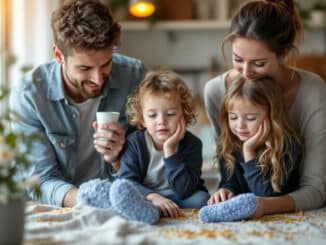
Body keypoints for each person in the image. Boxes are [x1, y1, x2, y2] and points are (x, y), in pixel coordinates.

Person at [10, 0, 146, 207]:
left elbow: (151, 162)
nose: (98, 79)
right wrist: (93, 199)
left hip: (118, 198)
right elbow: (39, 181)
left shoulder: (134, 76)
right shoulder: (30, 94)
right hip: (59, 205)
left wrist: (119, 160)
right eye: (84, 68)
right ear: (58, 55)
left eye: (106, 64)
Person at [203, 0, 326, 219]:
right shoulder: (215, 91)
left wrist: (262, 205)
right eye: (238, 60)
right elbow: (229, 170)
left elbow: (315, 191)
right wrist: (227, 191)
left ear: (284, 53)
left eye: (258, 63)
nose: (246, 72)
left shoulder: (312, 91)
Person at [199, 77, 302, 222]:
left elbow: (266, 197)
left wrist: (249, 152)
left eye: (250, 118)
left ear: (271, 116)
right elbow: (230, 180)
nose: (240, 126)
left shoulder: (286, 146)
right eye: (233, 117)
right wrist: (226, 190)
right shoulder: (230, 142)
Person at [117, 69, 209, 218]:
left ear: (183, 115)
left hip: (180, 197)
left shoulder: (193, 144)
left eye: (171, 114)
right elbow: (127, 181)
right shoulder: (135, 142)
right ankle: (154, 208)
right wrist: (153, 197)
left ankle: (157, 211)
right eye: (152, 115)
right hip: (148, 196)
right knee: (122, 193)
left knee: (201, 199)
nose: (161, 121)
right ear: (142, 119)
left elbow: (184, 190)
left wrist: (170, 150)